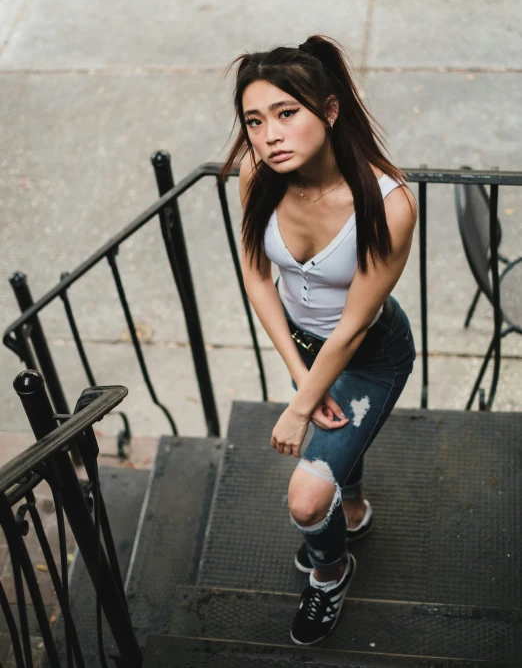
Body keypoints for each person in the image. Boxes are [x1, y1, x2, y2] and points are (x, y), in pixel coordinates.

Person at [217, 34, 417, 647]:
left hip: (369, 356)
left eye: (287, 113)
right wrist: (303, 378)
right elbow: (256, 275)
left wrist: (301, 406)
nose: (268, 135)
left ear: (329, 112)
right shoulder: (257, 173)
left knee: (306, 501)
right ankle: (351, 511)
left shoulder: (387, 204)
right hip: (305, 347)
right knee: (335, 472)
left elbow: (355, 324)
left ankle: (331, 572)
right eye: (255, 120)